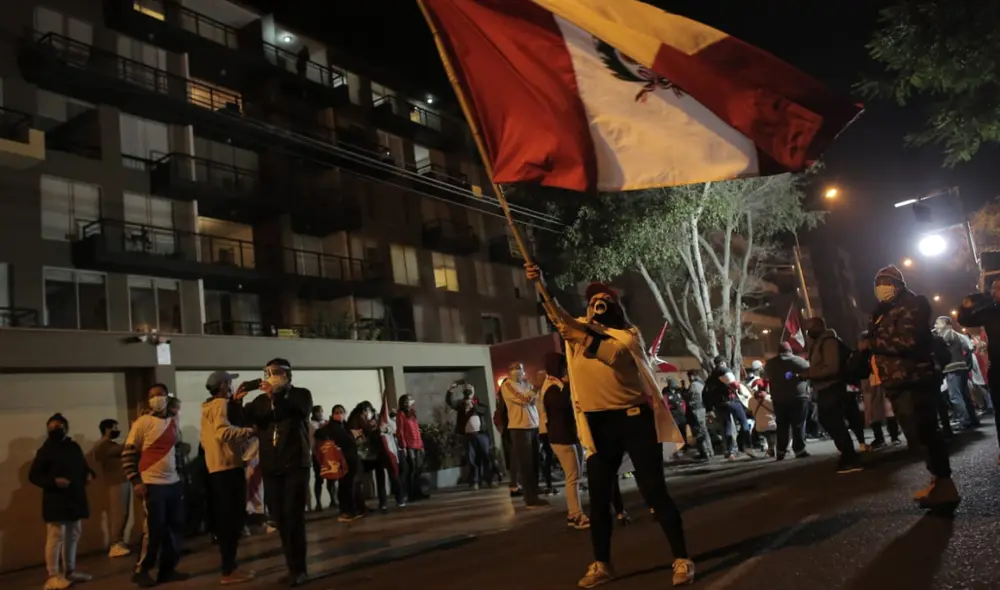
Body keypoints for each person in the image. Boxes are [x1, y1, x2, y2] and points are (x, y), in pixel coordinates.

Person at [527, 267, 693, 587]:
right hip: (597, 424)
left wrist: (577, 330)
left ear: (617, 307)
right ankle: (602, 563)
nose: (597, 304)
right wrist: (541, 283)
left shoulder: (628, 336)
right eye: (592, 300)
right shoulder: (577, 333)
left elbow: (611, 355)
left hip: (634, 420)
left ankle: (682, 557)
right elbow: (557, 313)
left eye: (604, 300)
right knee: (599, 498)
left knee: (653, 491)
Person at [864, 265, 958, 509]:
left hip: (914, 378)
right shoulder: (882, 311)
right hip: (897, 381)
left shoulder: (914, 304)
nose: (881, 287)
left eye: (886, 282)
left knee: (925, 431)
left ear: (897, 284)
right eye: (878, 282)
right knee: (916, 435)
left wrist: (873, 342)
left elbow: (909, 339)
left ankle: (945, 484)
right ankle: (937, 480)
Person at [237, 359, 313, 587]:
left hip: (295, 464)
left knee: (293, 516)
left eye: (276, 372)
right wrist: (236, 402)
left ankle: (299, 569)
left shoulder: (300, 395)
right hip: (271, 466)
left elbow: (298, 412)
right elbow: (246, 418)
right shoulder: (260, 401)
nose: (271, 376)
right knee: (279, 517)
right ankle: (292, 566)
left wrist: (276, 396)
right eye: (267, 372)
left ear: (288, 374)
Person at [122, 384, 188, 587]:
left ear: (167, 397)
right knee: (154, 530)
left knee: (174, 528)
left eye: (160, 394)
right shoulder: (142, 423)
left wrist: (181, 474)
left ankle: (167, 569)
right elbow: (128, 453)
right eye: (153, 395)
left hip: (173, 484)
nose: (157, 398)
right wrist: (136, 481)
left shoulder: (172, 421)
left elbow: (176, 450)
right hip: (152, 485)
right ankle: (142, 570)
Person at [201, 371, 256, 585]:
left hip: (216, 468)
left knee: (227, 522)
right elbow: (223, 432)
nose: (232, 385)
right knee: (231, 522)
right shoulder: (219, 405)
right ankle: (228, 571)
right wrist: (248, 431)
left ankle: (231, 567)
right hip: (227, 468)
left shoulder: (208, 407)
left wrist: (236, 405)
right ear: (223, 385)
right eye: (230, 382)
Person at [30, 413, 94, 590]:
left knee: (73, 535)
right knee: (55, 537)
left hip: (75, 497)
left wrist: (89, 474)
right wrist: (53, 482)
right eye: (51, 427)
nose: (55, 429)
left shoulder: (73, 447)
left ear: (66, 427)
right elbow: (34, 476)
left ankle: (70, 571)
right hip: (55, 500)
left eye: (58, 426)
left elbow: (83, 465)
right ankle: (52, 576)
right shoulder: (45, 450)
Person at [802, 317, 864, 474]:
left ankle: (849, 456)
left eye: (811, 328)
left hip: (833, 386)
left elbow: (832, 368)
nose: (808, 332)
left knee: (834, 421)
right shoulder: (817, 343)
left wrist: (809, 374)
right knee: (828, 420)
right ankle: (847, 453)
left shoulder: (829, 342)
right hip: (825, 388)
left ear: (820, 327)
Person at [542, 352, 589, 530]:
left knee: (575, 476)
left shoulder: (557, 385)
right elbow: (561, 404)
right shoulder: (551, 388)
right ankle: (575, 514)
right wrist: (569, 384)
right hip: (561, 438)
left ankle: (575, 513)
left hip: (569, 435)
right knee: (572, 477)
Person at [957, 280, 1000, 464]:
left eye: (998, 288)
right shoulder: (991, 310)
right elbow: (965, 319)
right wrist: (967, 305)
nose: (995, 291)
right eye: (994, 289)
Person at [500, 362, 548, 508]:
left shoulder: (524, 384)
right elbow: (524, 399)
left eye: (520, 369)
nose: (518, 372)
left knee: (534, 461)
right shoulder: (508, 385)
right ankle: (529, 497)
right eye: (515, 370)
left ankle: (534, 489)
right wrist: (535, 387)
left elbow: (534, 401)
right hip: (520, 428)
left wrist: (533, 390)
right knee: (525, 463)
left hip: (532, 427)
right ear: (509, 372)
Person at [763, 342, 811, 459]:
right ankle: (799, 450)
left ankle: (781, 451)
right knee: (798, 424)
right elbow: (810, 370)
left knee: (782, 426)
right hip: (798, 397)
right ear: (790, 351)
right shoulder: (798, 361)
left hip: (779, 399)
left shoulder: (770, 364)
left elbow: (766, 376)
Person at [933, 316, 979, 431]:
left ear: (945, 324)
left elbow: (940, 346)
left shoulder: (947, 334)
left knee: (955, 396)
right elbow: (967, 349)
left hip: (953, 368)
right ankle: (972, 419)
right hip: (961, 367)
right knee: (964, 395)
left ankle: (964, 421)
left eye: (937, 324)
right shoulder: (957, 335)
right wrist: (966, 363)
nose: (935, 326)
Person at [316, 404, 360, 522]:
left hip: (352, 458)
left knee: (351, 485)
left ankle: (352, 509)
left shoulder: (347, 425)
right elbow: (318, 433)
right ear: (333, 414)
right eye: (337, 412)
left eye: (341, 412)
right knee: (345, 486)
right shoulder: (331, 427)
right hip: (341, 459)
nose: (339, 414)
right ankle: (345, 511)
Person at [94, 418, 131, 558]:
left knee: (124, 512)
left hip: (122, 481)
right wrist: (134, 435)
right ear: (107, 429)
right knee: (118, 514)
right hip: (116, 483)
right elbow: (123, 448)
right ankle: (115, 543)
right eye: (114, 427)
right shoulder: (103, 446)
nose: (117, 430)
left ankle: (119, 542)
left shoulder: (109, 445)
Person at [446, 382, 493, 489]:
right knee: (471, 459)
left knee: (486, 457)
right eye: (466, 389)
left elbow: (484, 409)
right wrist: (450, 390)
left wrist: (473, 405)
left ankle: (489, 480)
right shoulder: (461, 404)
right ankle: (475, 481)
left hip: (481, 434)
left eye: (470, 389)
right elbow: (450, 402)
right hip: (468, 436)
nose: (468, 391)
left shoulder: (477, 402)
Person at [395, 394, 426, 501]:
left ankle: (418, 492)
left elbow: (417, 430)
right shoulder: (401, 414)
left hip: (417, 444)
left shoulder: (413, 414)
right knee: (412, 469)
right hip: (409, 445)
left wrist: (421, 444)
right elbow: (400, 431)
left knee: (418, 469)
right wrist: (403, 446)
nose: (411, 402)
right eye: (409, 401)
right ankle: (411, 494)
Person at [309, 406, 337, 511]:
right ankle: (318, 503)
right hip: (317, 453)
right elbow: (316, 434)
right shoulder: (311, 424)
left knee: (331, 477)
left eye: (321, 412)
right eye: (318, 412)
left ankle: (333, 499)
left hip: (328, 453)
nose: (320, 414)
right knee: (319, 479)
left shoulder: (326, 422)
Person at [683, 370, 712, 461]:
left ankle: (705, 452)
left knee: (699, 431)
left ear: (691, 376)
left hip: (696, 409)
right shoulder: (702, 383)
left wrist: (684, 393)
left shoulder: (694, 385)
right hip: (702, 408)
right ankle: (709, 451)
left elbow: (690, 397)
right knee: (704, 430)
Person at [748, 386, 777, 456]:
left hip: (759, 427)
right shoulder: (770, 398)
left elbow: (750, 412)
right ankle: (772, 447)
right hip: (773, 425)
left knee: (765, 432)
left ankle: (768, 446)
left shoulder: (751, 400)